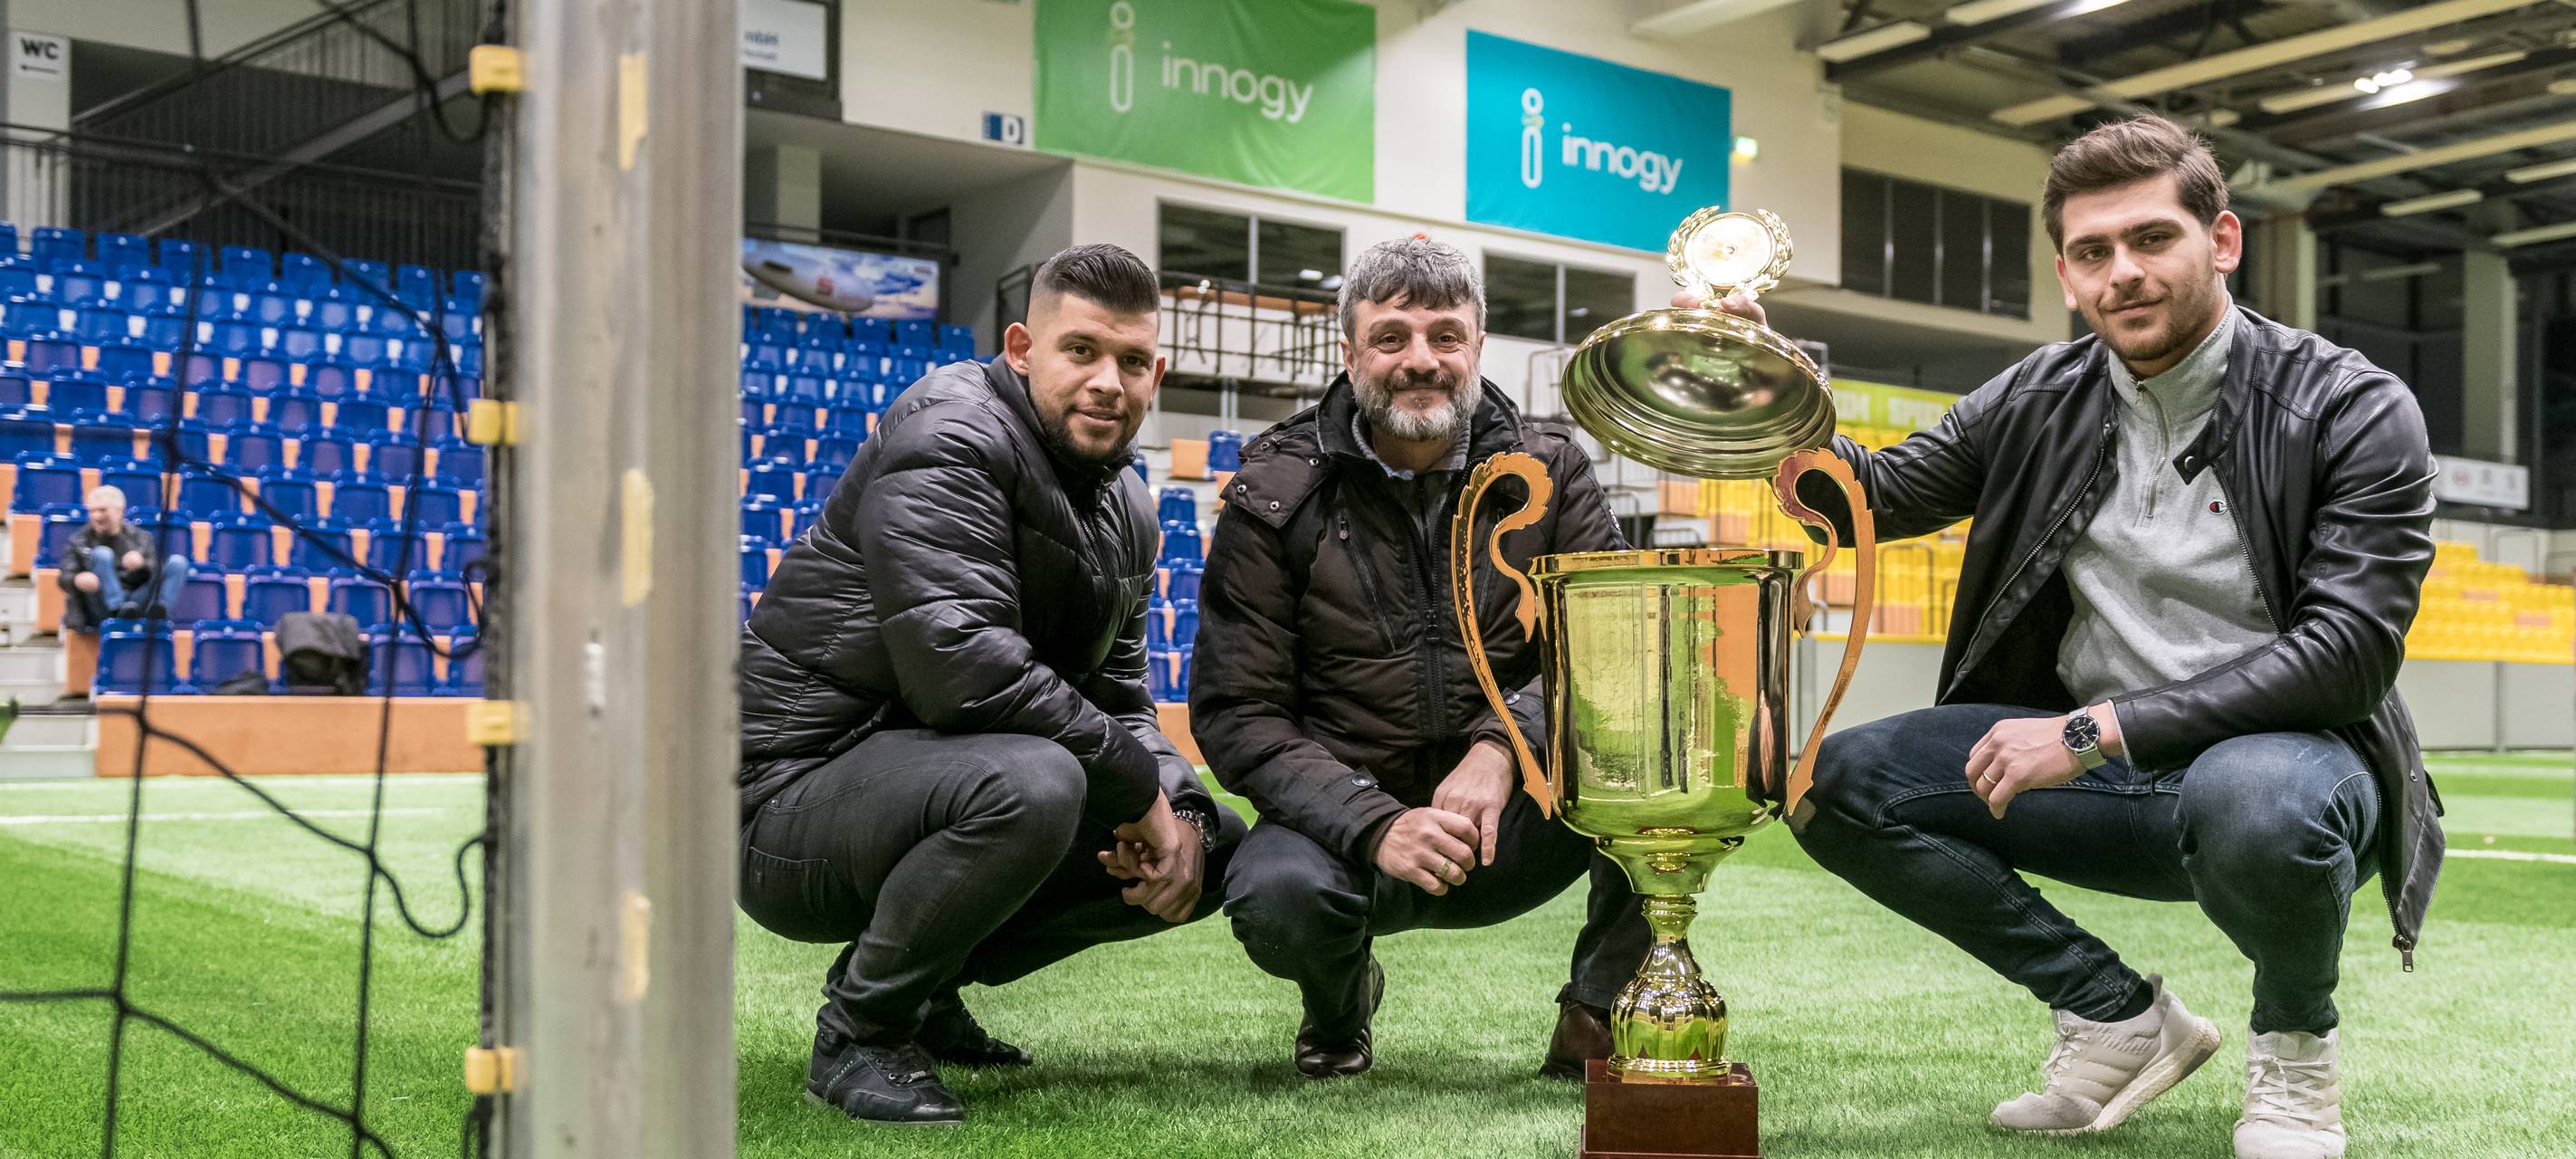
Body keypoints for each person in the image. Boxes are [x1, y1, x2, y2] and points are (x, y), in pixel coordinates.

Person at [1684, 116, 2438, 1159]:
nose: (2120, 272)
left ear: (2220, 240)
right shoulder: (2036, 395)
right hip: (2101, 773)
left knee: (2256, 799)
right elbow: (1870, 496)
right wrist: (1764, 390)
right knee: (1834, 780)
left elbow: (2346, 654)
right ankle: (2114, 1014)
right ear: (2065, 276)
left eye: (2149, 239)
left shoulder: (2350, 404)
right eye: (2092, 252)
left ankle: (2293, 1047)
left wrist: (2090, 730)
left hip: (2285, 766)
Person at [735, 244, 1245, 1126]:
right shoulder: (948, 433)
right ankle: (860, 1032)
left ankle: (921, 983)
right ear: (1021, 349)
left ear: (1155, 375)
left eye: (1131, 361)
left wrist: (1180, 812)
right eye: (1080, 350)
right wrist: (1135, 791)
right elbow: (960, 669)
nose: (1108, 382)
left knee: (1214, 845)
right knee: (1033, 783)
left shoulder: (1129, 504)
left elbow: (1122, 701)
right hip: (786, 798)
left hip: (930, 781)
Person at [1192, 237, 1647, 1080]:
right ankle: (1341, 1007)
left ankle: (1595, 1011)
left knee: (1660, 768)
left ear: (1477, 347)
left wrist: (1503, 747)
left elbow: (1613, 650)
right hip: (1349, 829)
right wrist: (1375, 822)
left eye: (1445, 336)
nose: (1421, 361)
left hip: (1518, 821)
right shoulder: (1275, 488)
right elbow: (1236, 712)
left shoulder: (1552, 470)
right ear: (1350, 353)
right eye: (1391, 337)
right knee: (1276, 896)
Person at [59, 486, 190, 631]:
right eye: (92, 511)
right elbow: (64, 577)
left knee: (178, 563)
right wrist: (76, 580)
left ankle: (158, 612)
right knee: (102, 553)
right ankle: (117, 609)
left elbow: (153, 573)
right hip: (100, 604)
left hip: (137, 602)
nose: (96, 516)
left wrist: (142, 566)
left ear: (120, 511)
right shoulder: (78, 540)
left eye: (102, 510)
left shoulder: (141, 538)